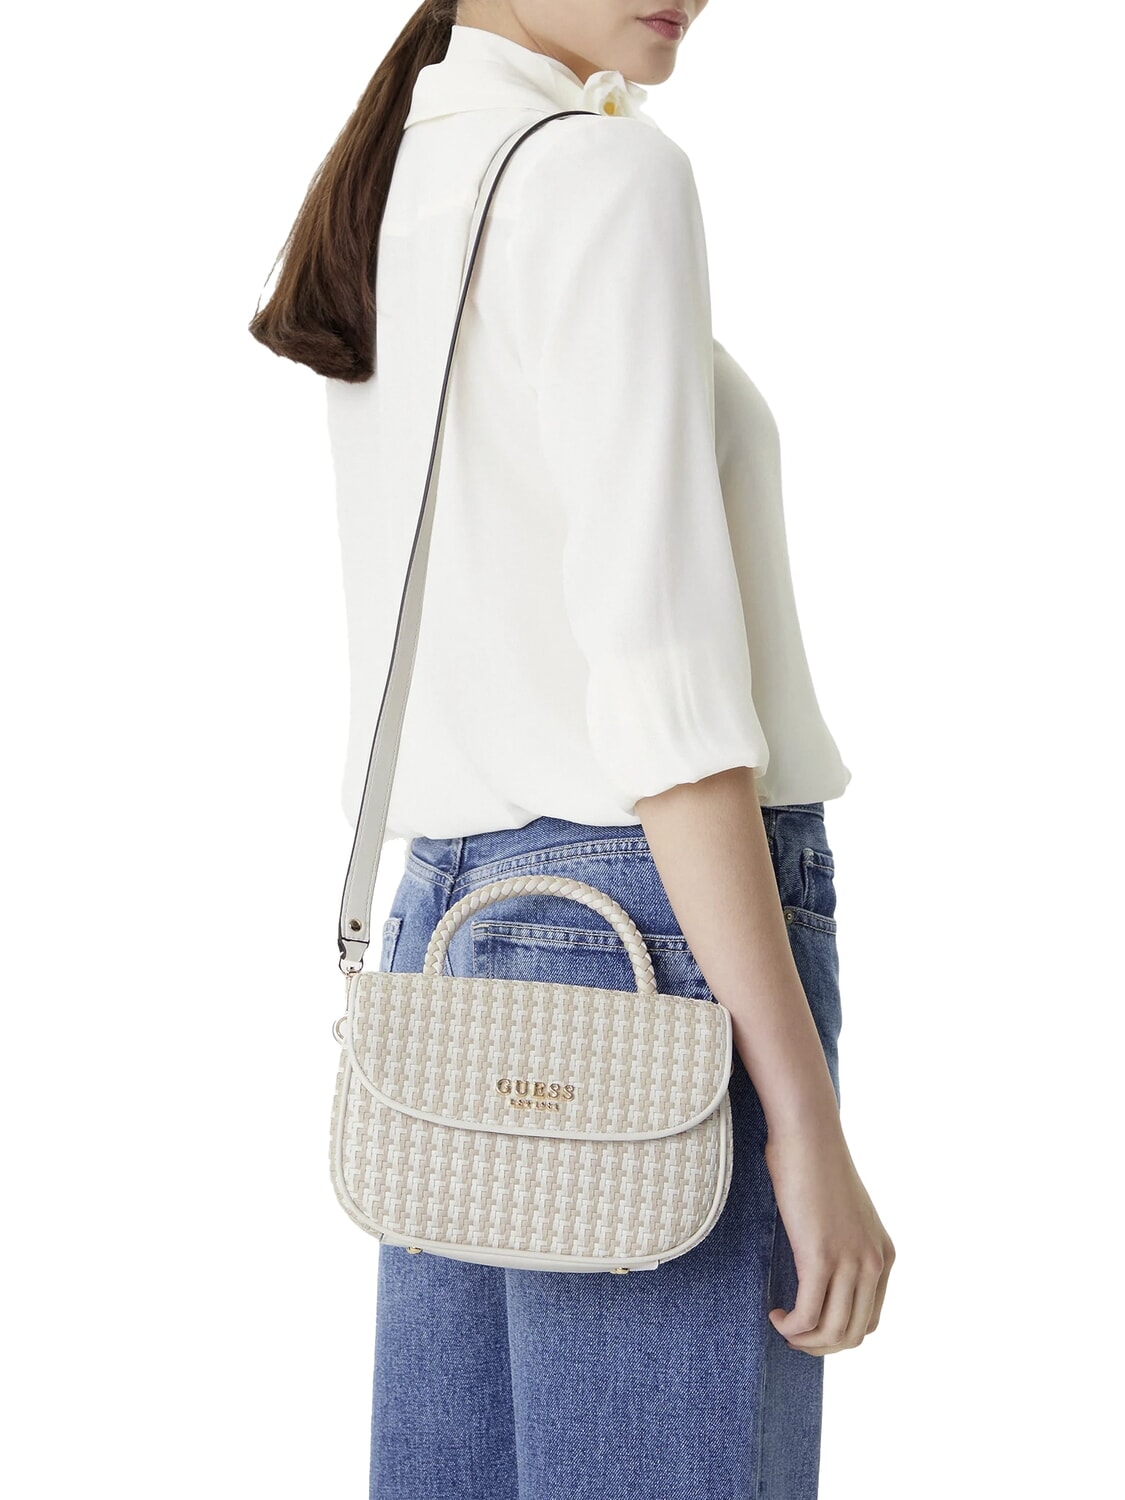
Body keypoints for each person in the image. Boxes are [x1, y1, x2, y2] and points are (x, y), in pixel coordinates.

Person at [250, 3, 895, 1496]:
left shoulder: (402, 172)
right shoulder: (606, 173)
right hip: (657, 945)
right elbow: (664, 703)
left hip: (450, 931)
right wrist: (802, 1118)